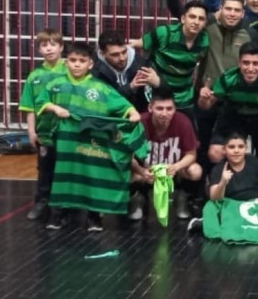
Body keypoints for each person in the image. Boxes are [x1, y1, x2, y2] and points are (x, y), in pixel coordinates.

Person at [36, 42, 141, 232]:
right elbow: (41, 102)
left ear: (90, 64)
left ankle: (94, 217)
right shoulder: (55, 84)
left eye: (82, 61)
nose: (77, 64)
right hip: (65, 145)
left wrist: (133, 113)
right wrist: (55, 108)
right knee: (63, 178)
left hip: (90, 146)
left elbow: (123, 106)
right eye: (73, 60)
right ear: (66, 62)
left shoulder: (100, 88)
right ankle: (58, 214)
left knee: (91, 177)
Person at [198, 42, 258, 195]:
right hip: (235, 117)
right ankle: (215, 194)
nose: (250, 68)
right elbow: (206, 106)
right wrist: (203, 98)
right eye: (246, 63)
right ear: (239, 63)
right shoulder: (229, 78)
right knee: (215, 152)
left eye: (256, 63)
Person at [129, 87, 203, 220]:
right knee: (125, 173)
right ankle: (137, 198)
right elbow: (128, 156)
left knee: (195, 171)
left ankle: (182, 197)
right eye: (160, 109)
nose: (164, 113)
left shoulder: (183, 122)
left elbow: (191, 154)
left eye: (169, 109)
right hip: (147, 171)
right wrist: (141, 171)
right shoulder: (140, 123)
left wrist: (177, 166)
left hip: (172, 171)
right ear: (150, 108)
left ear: (175, 109)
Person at [131, 0, 210, 122]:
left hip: (184, 97)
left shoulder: (205, 41)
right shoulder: (165, 33)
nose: (196, 22)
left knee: (187, 134)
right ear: (183, 19)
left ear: (205, 23)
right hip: (156, 91)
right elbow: (138, 44)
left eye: (201, 19)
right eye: (192, 17)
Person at [19, 29, 67, 221]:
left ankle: (66, 206)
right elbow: (29, 106)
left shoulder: (70, 70)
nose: (49, 48)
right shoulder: (35, 76)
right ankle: (42, 201)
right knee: (45, 168)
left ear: (61, 47)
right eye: (44, 45)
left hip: (68, 131)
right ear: (39, 50)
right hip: (45, 132)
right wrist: (31, 131)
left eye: (53, 44)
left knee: (66, 168)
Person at [187, 132, 258, 233]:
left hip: (255, 206)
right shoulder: (218, 169)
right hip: (231, 208)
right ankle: (206, 222)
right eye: (231, 147)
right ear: (224, 150)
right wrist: (223, 182)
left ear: (246, 148)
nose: (236, 151)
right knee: (211, 208)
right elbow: (214, 197)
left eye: (240, 147)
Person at [93, 30, 163, 113]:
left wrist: (158, 83)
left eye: (124, 52)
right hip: (108, 119)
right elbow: (102, 101)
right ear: (102, 54)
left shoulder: (142, 65)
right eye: (115, 55)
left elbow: (164, 97)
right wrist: (130, 88)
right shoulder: (93, 69)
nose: (122, 58)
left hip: (139, 117)